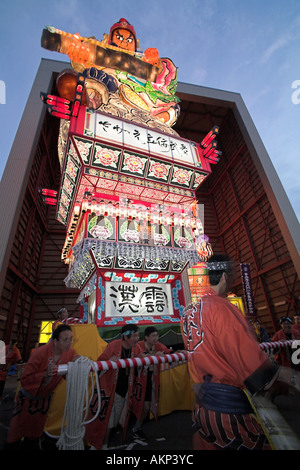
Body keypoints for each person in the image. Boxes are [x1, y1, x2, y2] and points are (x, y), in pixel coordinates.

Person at [181, 253, 299, 451]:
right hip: (228, 413)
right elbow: (252, 365)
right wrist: (292, 378)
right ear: (225, 277)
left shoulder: (189, 312)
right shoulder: (222, 308)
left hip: (202, 409)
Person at [6, 324, 76, 448]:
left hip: (43, 402)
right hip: (27, 401)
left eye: (71, 339)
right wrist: (44, 374)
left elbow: (68, 373)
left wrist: (78, 364)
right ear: (55, 341)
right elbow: (25, 378)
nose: (69, 343)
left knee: (35, 434)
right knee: (16, 433)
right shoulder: (40, 353)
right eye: (65, 340)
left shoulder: (70, 353)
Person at [85, 324, 143, 450]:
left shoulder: (136, 348)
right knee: (108, 421)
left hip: (125, 389)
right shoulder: (112, 346)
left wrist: (142, 358)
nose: (137, 339)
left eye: (138, 335)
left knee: (115, 420)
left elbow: (141, 359)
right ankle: (100, 445)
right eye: (134, 336)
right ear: (126, 337)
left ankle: (102, 443)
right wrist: (108, 362)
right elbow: (99, 365)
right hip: (110, 388)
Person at [131, 326, 172, 440]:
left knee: (146, 407)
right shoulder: (139, 345)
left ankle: (136, 428)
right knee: (133, 405)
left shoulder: (158, 345)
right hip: (137, 380)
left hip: (150, 379)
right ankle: (133, 427)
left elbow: (167, 350)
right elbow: (141, 356)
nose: (156, 338)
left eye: (157, 335)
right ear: (146, 337)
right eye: (153, 336)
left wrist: (177, 352)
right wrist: (155, 356)